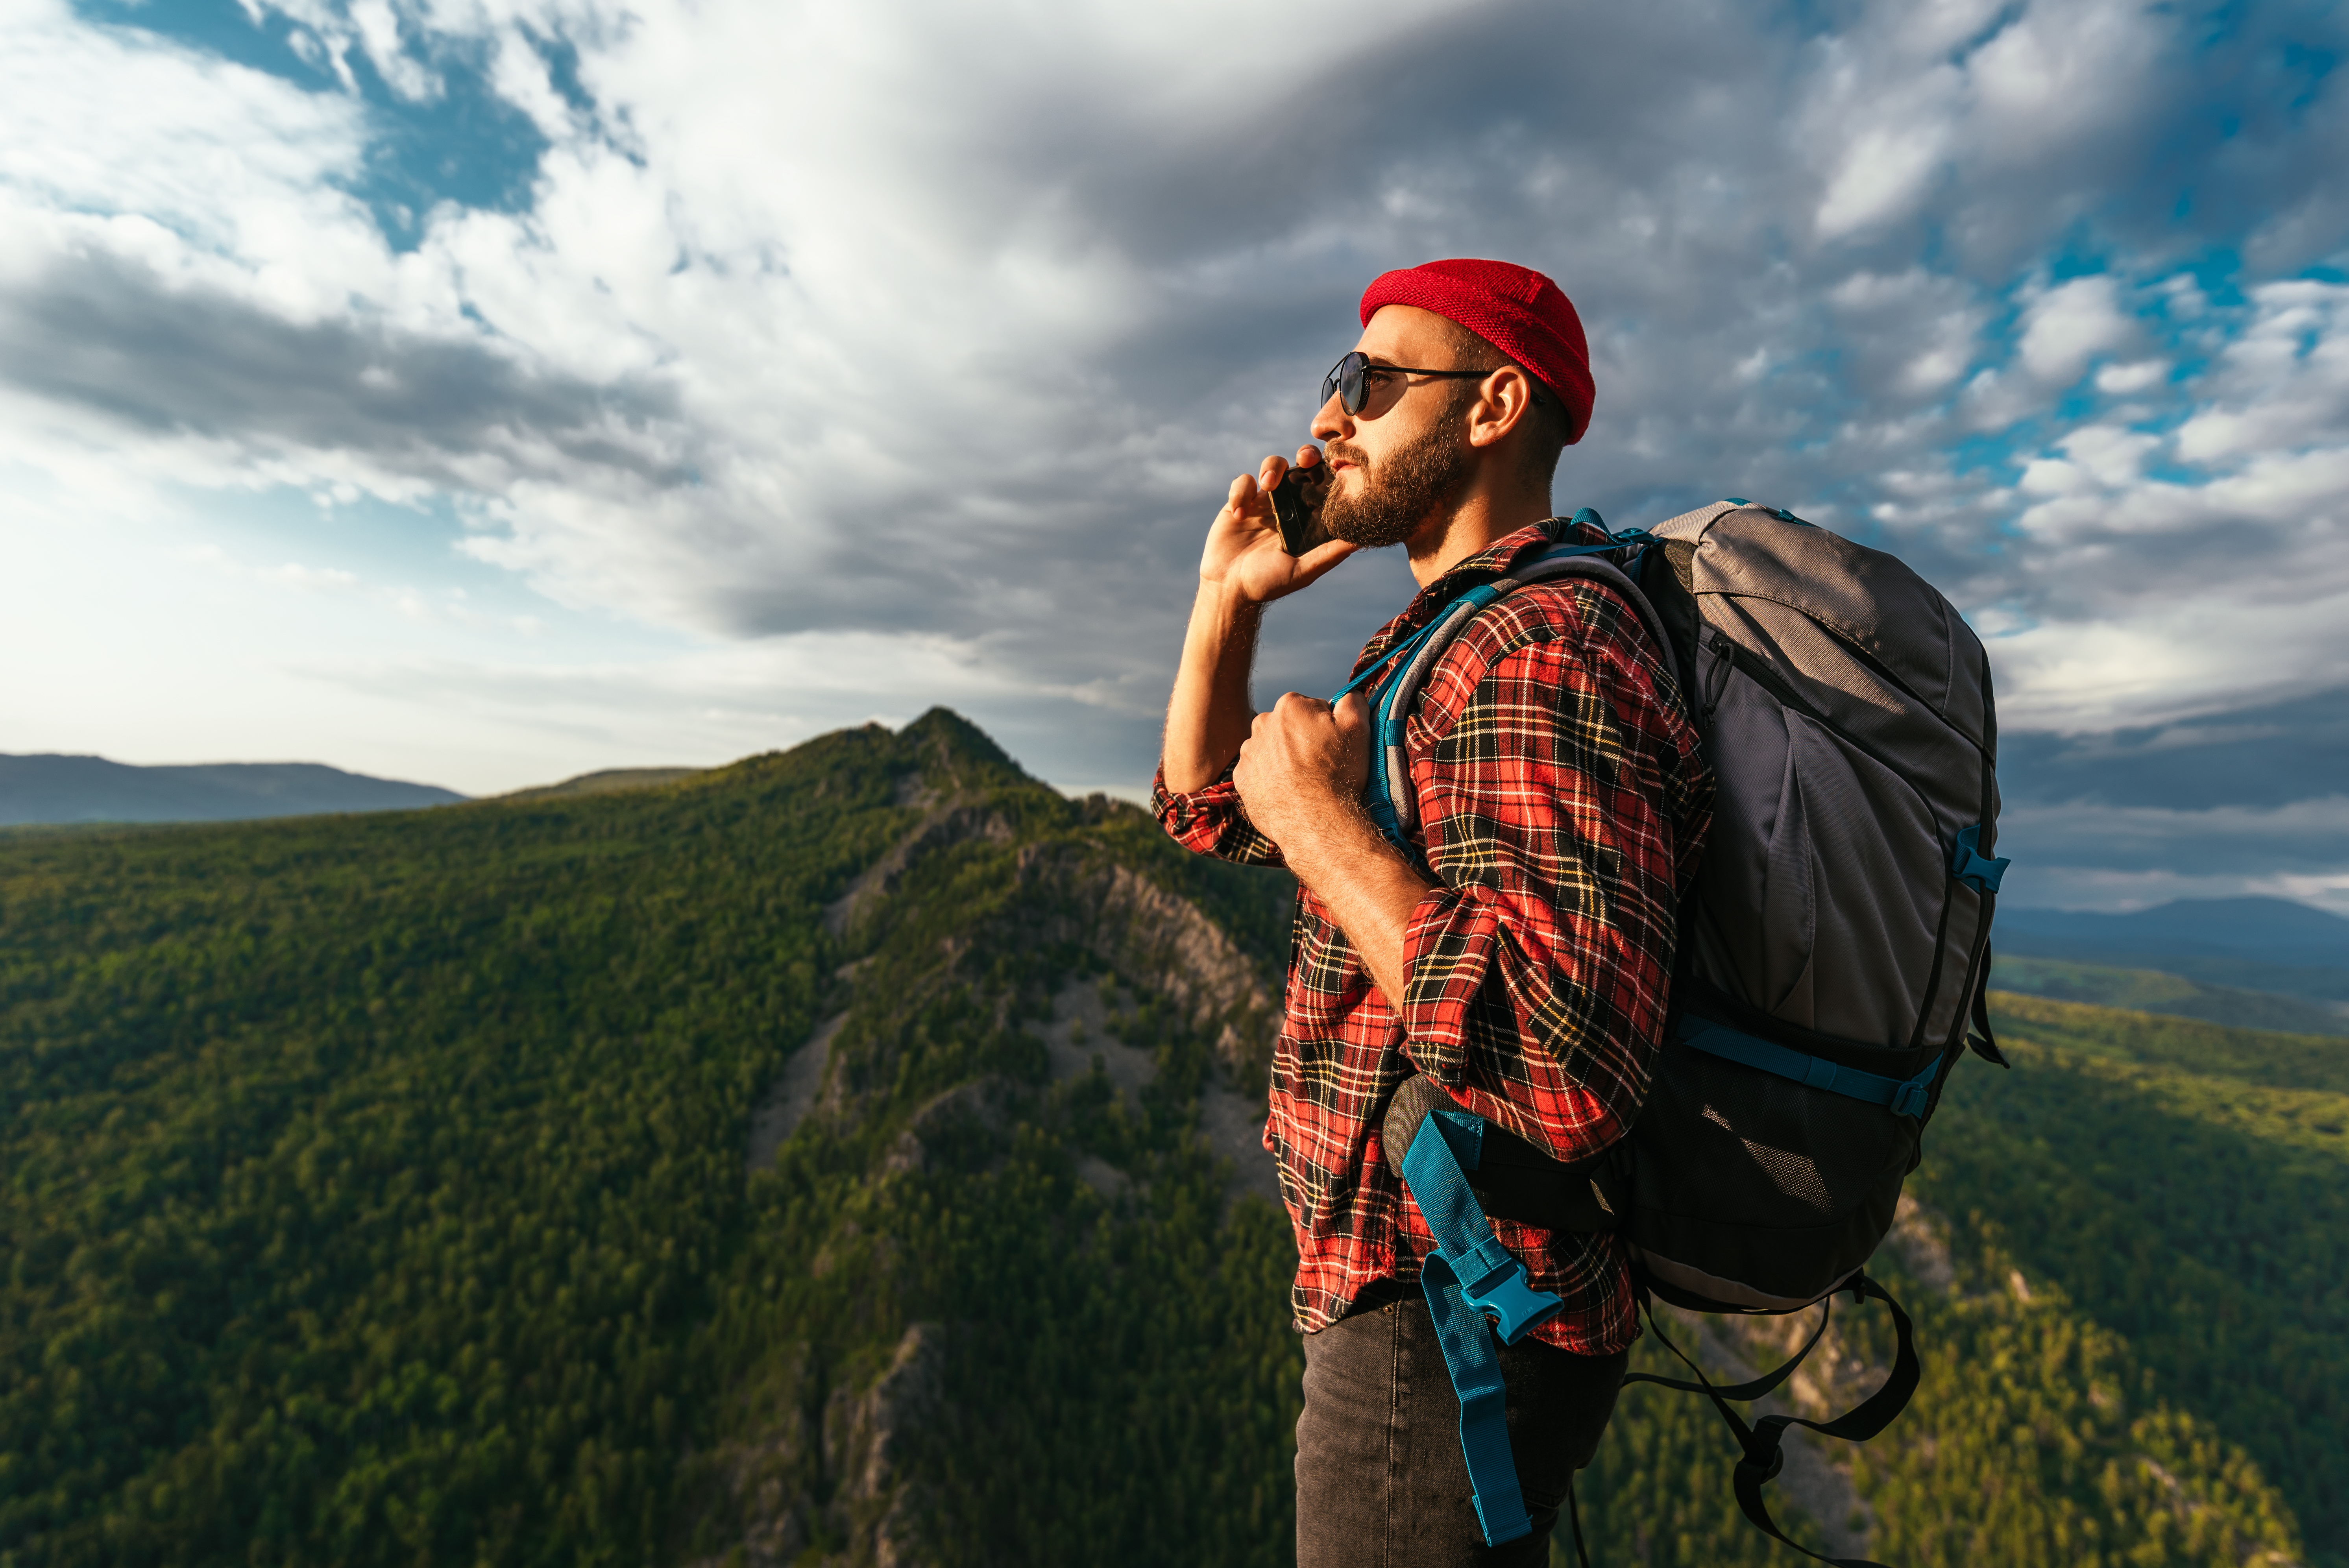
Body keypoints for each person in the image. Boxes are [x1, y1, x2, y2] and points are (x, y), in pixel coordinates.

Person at [1152, 259, 1715, 1567]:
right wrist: (1223, 600)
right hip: (1431, 1289)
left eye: (1373, 381)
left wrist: (1322, 824)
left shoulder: (1539, 649)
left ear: (1493, 406)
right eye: (1334, 381)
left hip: (1446, 1311)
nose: (1329, 417)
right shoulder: (1451, 641)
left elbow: (1569, 1064)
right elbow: (1205, 806)